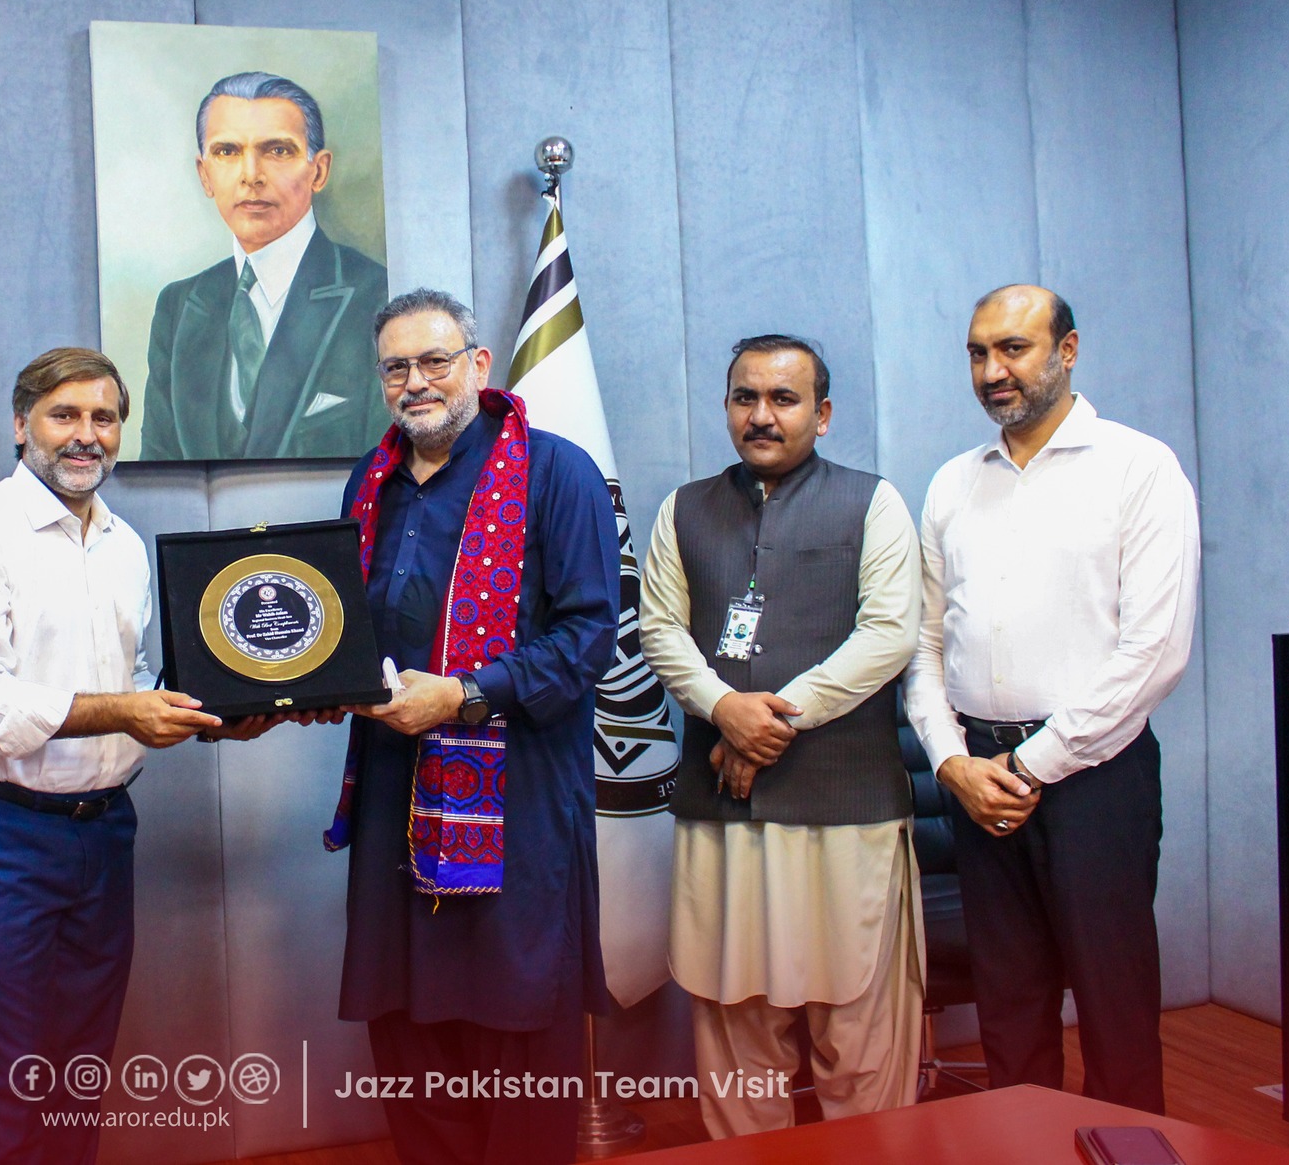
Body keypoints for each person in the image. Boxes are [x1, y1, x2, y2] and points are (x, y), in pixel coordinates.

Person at [0, 348, 227, 1165]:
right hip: (2, 835)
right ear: (22, 426)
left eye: (104, 417)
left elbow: (134, 681)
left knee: (81, 1068)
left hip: (105, 832)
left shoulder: (122, 544)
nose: (87, 435)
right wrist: (123, 710)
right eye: (65, 415)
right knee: (10, 1076)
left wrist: (218, 711)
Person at [320, 288, 620, 1165]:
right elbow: (339, 630)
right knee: (407, 1027)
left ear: (479, 365)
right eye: (396, 367)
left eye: (434, 361)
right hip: (393, 795)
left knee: (516, 1023)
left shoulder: (553, 473)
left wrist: (462, 696)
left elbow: (588, 639)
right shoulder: (368, 482)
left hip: (517, 801)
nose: (416, 382)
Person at [906, 285, 1199, 1113]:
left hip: (1094, 777)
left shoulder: (1139, 468)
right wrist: (953, 763)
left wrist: (1030, 764)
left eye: (1014, 348)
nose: (991, 370)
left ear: (1067, 351)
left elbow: (1154, 652)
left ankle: (1125, 1151)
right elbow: (924, 647)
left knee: (1114, 1004)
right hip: (977, 780)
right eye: (977, 352)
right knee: (1009, 1007)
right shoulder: (952, 484)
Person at [640, 334, 925, 1137]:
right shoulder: (683, 509)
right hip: (723, 814)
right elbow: (660, 628)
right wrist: (723, 708)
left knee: (860, 1032)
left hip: (847, 811)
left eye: (784, 399)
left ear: (822, 414)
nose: (761, 415)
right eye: (745, 397)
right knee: (736, 1028)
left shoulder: (874, 503)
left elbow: (889, 635)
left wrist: (769, 718)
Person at [141, 70, 389, 461]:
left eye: (277, 151)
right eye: (227, 152)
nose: (251, 176)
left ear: (319, 170)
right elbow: (158, 469)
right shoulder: (179, 306)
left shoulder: (378, 295)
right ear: (205, 175)